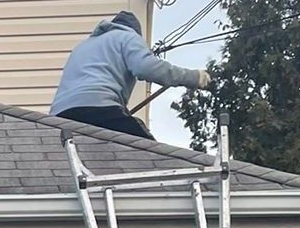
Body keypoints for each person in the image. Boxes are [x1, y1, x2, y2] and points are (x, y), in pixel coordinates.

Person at [49, 11, 211, 140]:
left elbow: (90, 85)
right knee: (150, 153)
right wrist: (193, 77)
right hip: (98, 109)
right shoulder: (127, 37)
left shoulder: (82, 46)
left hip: (60, 118)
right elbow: (147, 67)